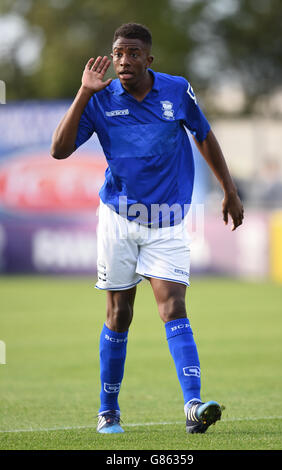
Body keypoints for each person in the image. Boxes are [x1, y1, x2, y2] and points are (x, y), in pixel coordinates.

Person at [51, 23, 244, 434]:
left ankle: (193, 405)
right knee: (119, 313)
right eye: (118, 53)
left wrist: (229, 188)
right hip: (118, 219)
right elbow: (59, 150)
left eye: (133, 53)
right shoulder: (101, 99)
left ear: (148, 59)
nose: (124, 60)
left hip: (169, 220)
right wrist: (84, 91)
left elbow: (204, 135)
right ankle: (108, 411)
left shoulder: (176, 90)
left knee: (173, 305)